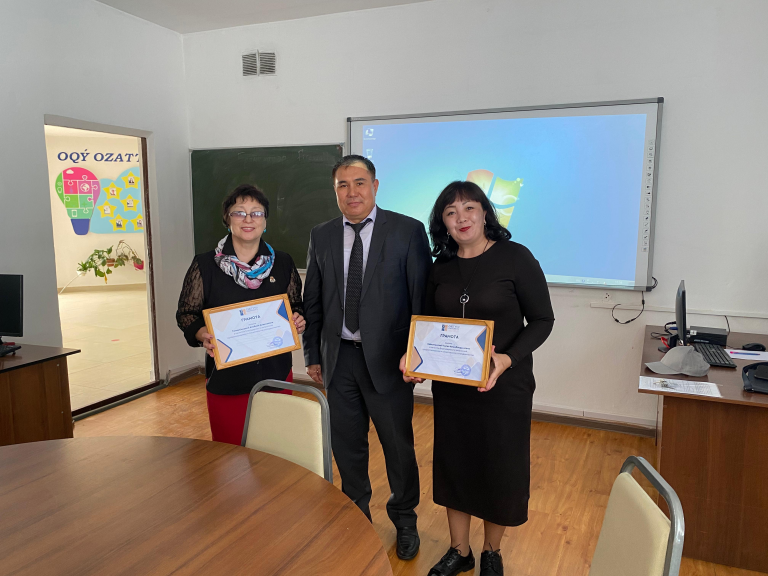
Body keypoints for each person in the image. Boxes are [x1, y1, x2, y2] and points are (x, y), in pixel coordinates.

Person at [401, 181, 554, 576]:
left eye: (469, 208)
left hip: (504, 386)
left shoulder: (516, 257)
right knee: (456, 465)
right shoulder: (441, 266)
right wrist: (413, 356)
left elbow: (542, 320)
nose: (462, 218)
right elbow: (426, 323)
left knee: (499, 468)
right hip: (453, 389)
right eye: (451, 212)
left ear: (485, 212)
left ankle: (491, 552)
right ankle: (460, 551)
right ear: (443, 223)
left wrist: (507, 358)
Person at [302, 155, 432, 560]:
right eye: (342, 185)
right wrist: (312, 354)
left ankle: (404, 519)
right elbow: (313, 299)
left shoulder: (407, 231)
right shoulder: (322, 234)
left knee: (398, 446)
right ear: (335, 191)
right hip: (338, 359)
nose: (352, 192)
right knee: (346, 445)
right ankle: (356, 515)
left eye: (359, 182)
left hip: (389, 361)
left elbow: (421, 299)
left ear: (375, 186)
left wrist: (420, 355)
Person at [176, 184, 306, 445]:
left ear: (265, 221)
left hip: (276, 374)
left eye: (256, 213)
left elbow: (295, 305)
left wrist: (298, 319)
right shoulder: (205, 265)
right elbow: (186, 314)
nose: (248, 219)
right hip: (228, 379)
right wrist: (203, 334)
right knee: (230, 455)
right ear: (228, 219)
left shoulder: (283, 262)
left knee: (276, 450)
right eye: (239, 212)